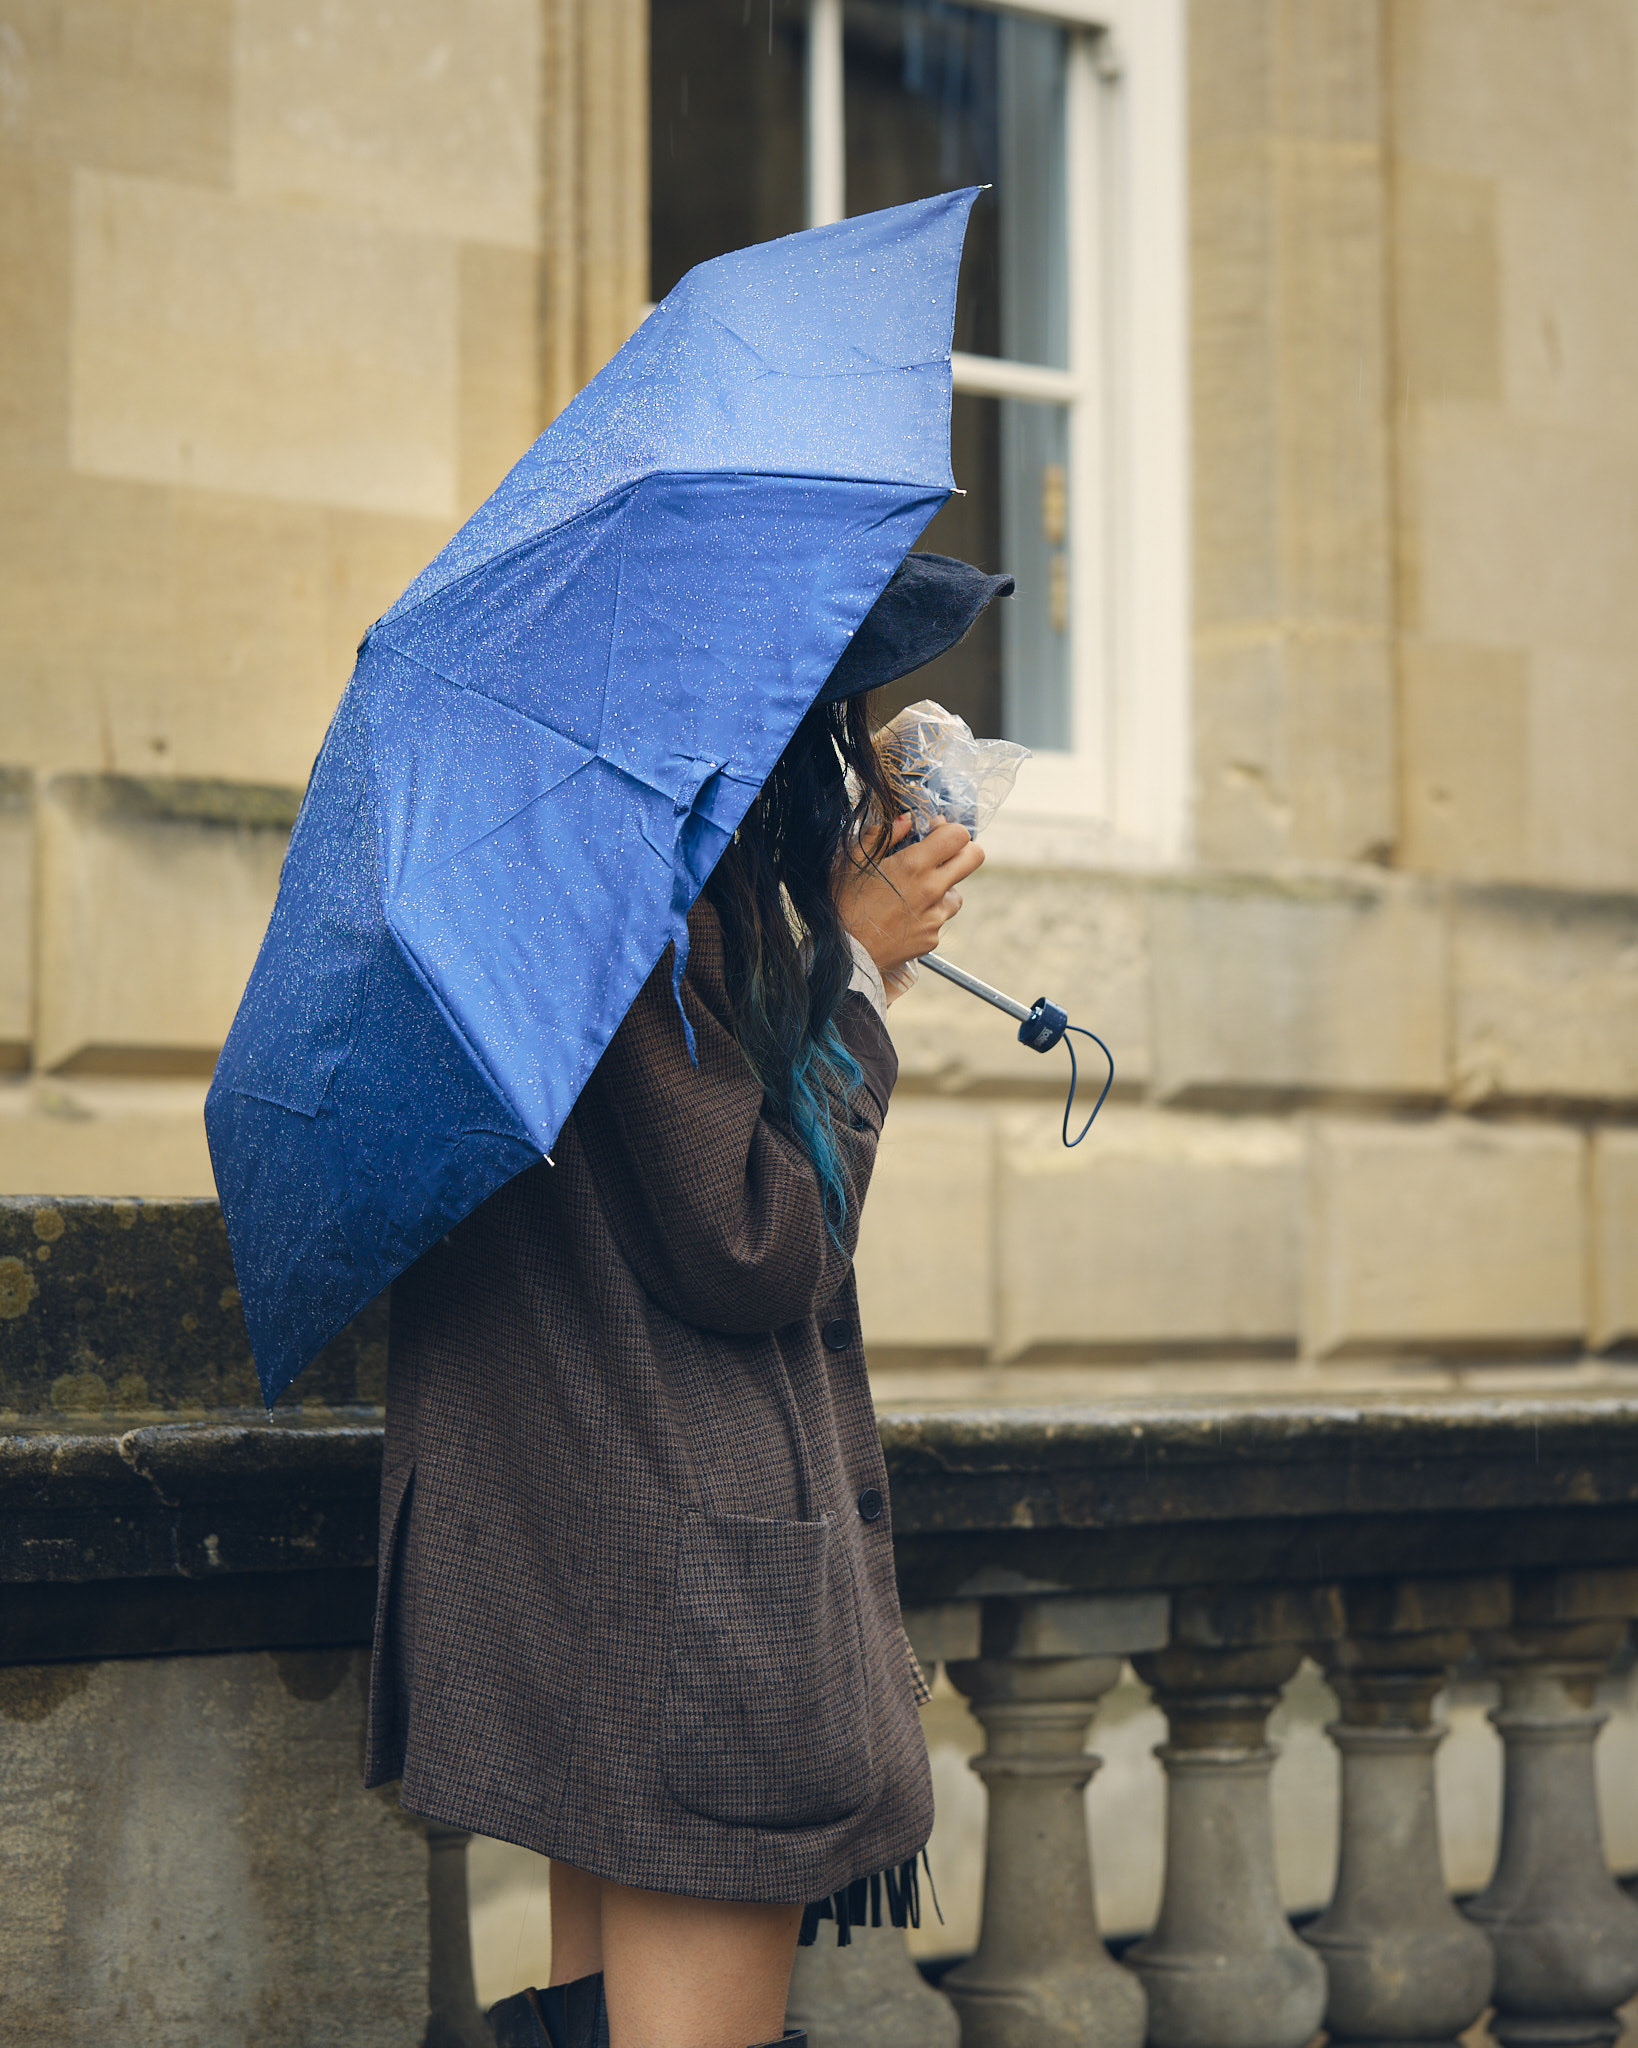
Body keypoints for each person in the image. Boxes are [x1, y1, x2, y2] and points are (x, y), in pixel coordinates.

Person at [365, 555, 1013, 2048]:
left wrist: (833, 966)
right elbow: (756, 1239)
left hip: (611, 1575)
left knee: (598, 2018)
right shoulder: (636, 924)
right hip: (683, 1608)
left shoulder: (552, 891)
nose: (864, 748)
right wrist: (853, 976)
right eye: (839, 711)